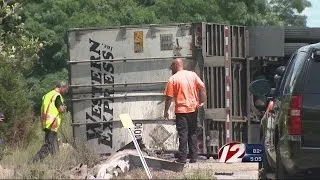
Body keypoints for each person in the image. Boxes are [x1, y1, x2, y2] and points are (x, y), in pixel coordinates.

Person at [163, 58, 206, 164]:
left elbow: (169, 97)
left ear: (175, 65)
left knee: (183, 134)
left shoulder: (173, 79)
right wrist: (202, 101)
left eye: (171, 66)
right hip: (193, 109)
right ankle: (193, 157)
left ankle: (182, 158)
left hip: (181, 111)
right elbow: (202, 87)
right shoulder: (192, 75)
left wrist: (166, 110)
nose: (171, 69)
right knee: (192, 133)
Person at [32, 81, 68, 163]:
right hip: (52, 123)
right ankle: (34, 161)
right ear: (61, 87)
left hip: (46, 123)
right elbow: (61, 109)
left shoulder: (47, 95)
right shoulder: (57, 96)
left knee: (54, 146)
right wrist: (65, 107)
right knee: (48, 145)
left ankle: (57, 163)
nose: (66, 91)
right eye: (65, 89)